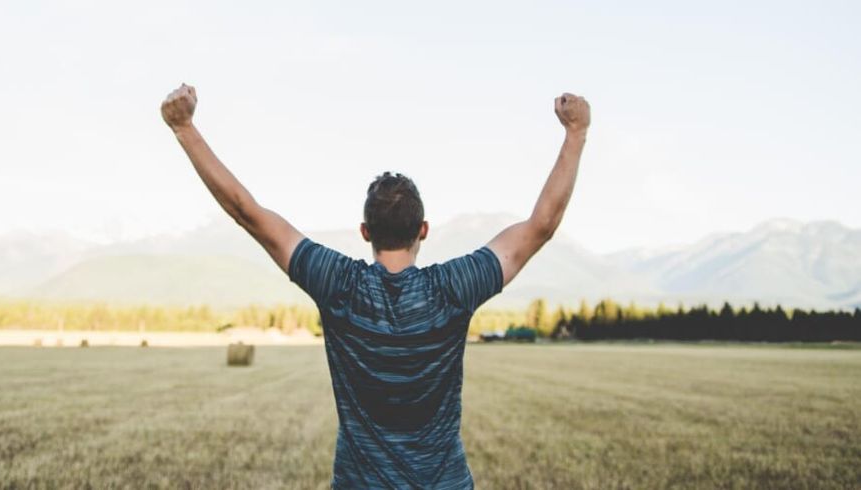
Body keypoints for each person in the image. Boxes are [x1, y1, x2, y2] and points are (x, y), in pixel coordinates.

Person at [161, 84, 590, 489]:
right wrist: (576, 132)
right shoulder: (454, 288)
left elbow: (247, 212)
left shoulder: (338, 285)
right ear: (423, 229)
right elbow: (541, 226)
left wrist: (185, 128)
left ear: (365, 231)